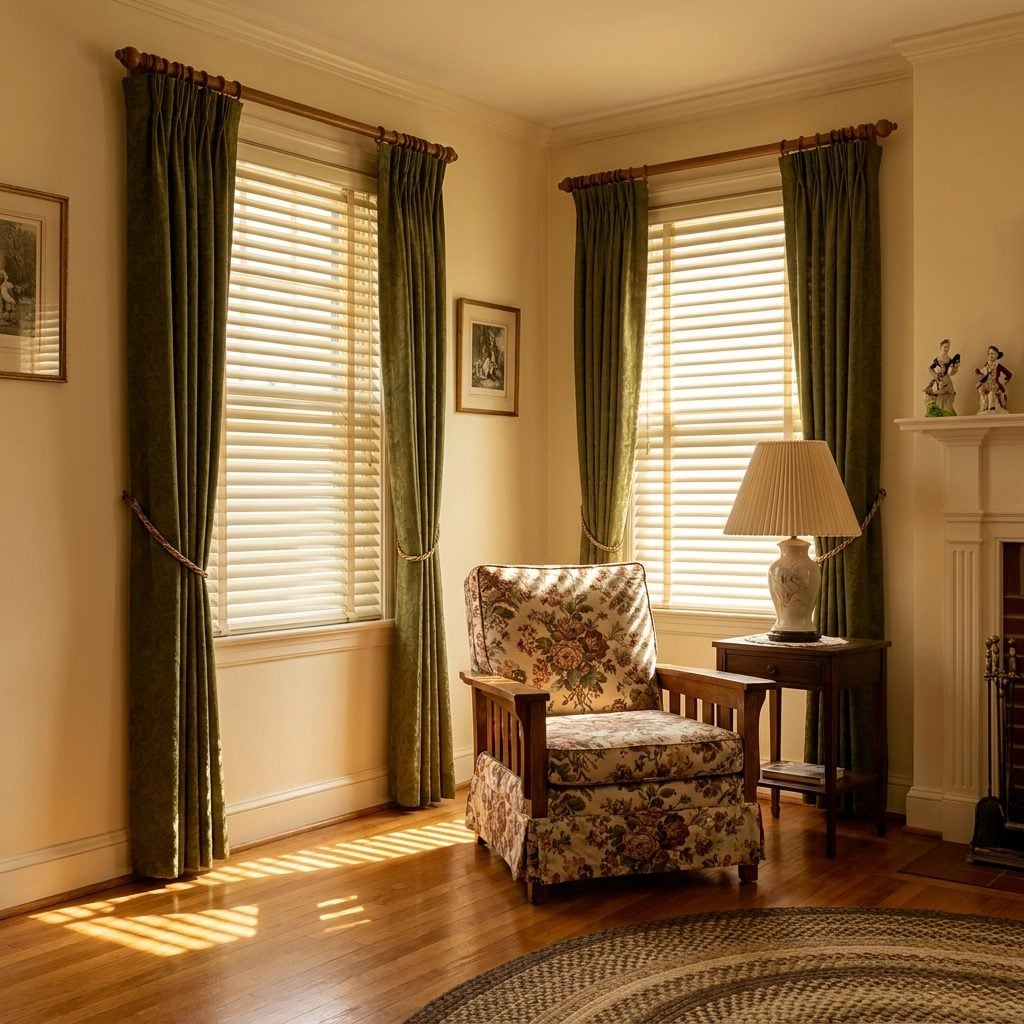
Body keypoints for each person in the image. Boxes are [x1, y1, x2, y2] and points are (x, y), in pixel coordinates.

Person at [924, 338, 960, 415]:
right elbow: (929, 368)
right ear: (941, 347)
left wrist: (955, 368)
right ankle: (939, 409)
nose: (946, 349)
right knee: (939, 394)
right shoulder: (937, 360)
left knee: (949, 394)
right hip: (939, 381)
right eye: (945, 347)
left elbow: (951, 373)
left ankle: (947, 409)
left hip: (947, 380)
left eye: (948, 347)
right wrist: (936, 377)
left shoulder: (949, 360)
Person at [975, 346, 1012, 413]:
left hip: (996, 386)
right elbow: (983, 374)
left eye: (992, 354)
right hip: (987, 385)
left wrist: (1003, 381)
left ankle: (992, 408)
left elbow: (1009, 374)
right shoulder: (986, 365)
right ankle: (984, 407)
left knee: (992, 394)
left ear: (997, 355)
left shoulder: (999, 366)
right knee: (982, 393)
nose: (990, 356)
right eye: (989, 354)